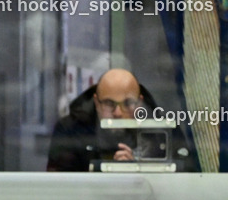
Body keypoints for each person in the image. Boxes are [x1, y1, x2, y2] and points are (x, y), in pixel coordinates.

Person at [47, 68, 195, 171]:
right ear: (97, 103)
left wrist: (140, 170)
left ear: (139, 103)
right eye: (109, 103)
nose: (118, 113)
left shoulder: (161, 130)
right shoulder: (71, 130)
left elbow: (187, 178)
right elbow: (61, 187)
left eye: (128, 103)